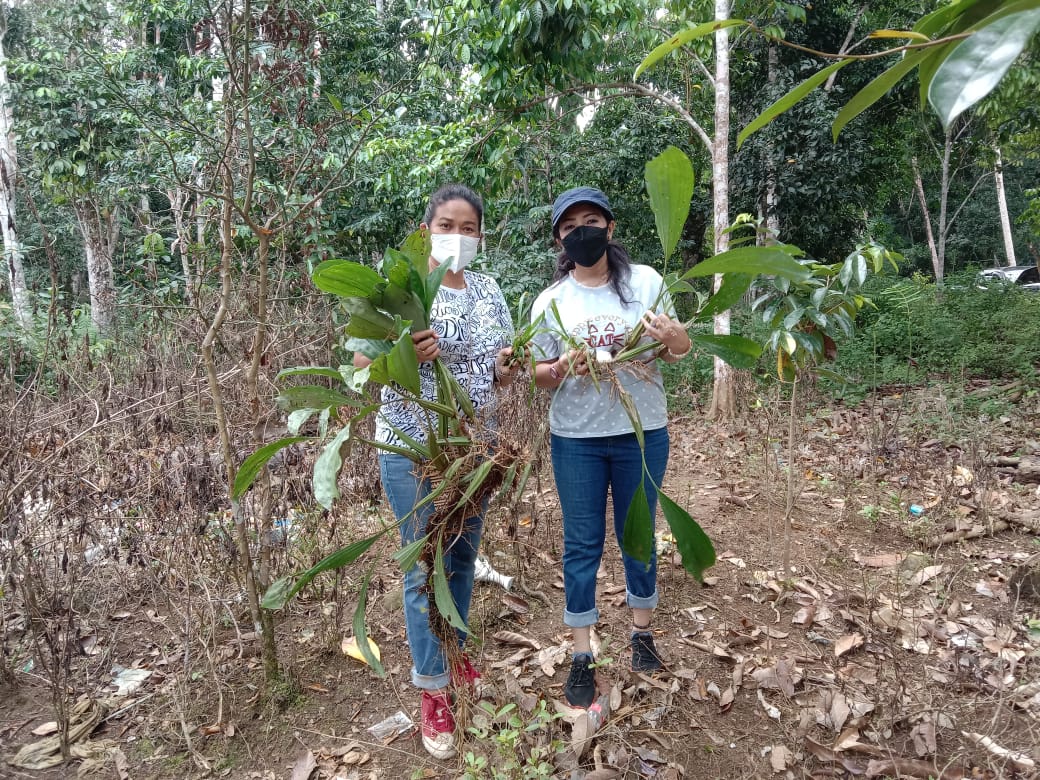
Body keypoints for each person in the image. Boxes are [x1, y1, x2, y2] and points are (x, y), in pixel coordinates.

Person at [354, 184, 520, 759]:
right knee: (425, 567)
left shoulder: (489, 289)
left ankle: (455, 652)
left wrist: (508, 364)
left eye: (469, 227)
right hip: (414, 449)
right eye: (447, 224)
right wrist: (404, 348)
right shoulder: (399, 289)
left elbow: (498, 365)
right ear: (426, 228)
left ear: (480, 235)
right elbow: (361, 365)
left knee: (462, 560)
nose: (458, 235)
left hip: (477, 454)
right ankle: (433, 691)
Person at [530, 186, 692, 709]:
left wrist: (673, 336)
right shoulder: (551, 301)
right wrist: (559, 368)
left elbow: (678, 351)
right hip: (575, 438)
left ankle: (641, 634)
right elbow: (538, 375)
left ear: (610, 227)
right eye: (571, 224)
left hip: (641, 432)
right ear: (559, 237)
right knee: (581, 544)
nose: (583, 231)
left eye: (592, 220)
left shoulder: (646, 282)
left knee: (638, 532)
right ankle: (582, 653)